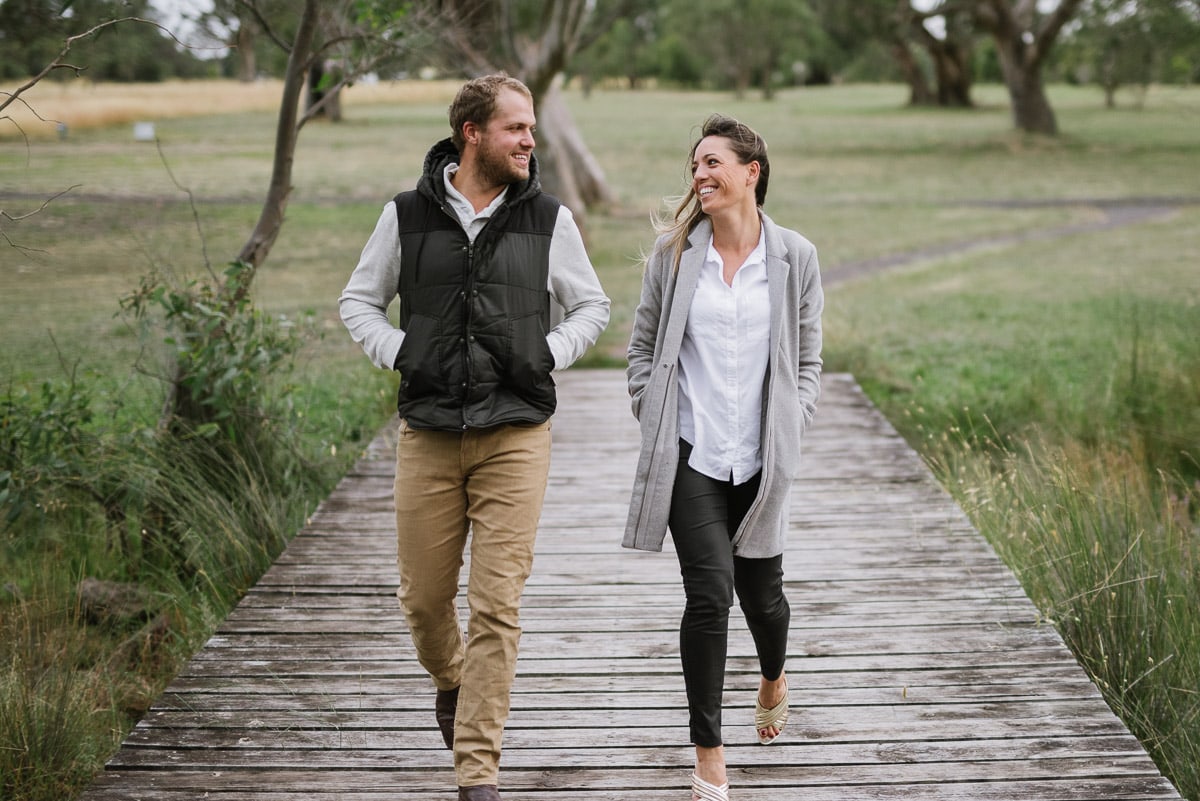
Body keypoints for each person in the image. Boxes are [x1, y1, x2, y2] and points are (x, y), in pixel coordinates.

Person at [339, 74, 610, 801]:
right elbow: (358, 300)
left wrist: (547, 352)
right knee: (424, 602)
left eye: (530, 128)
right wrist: (402, 352)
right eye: (516, 128)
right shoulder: (405, 216)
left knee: (496, 604)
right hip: (428, 431)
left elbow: (592, 305)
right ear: (473, 134)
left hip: (516, 431)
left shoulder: (548, 218)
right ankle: (451, 679)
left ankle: (477, 771)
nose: (530, 140)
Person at [623, 114, 823, 801]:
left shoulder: (796, 256)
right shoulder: (673, 255)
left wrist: (794, 422)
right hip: (691, 456)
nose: (700, 175)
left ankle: (773, 674)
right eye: (694, 166)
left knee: (762, 598)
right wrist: (653, 413)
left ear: (751, 172)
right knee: (708, 596)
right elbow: (642, 351)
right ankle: (708, 749)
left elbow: (808, 358)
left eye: (713, 163)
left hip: (763, 462)